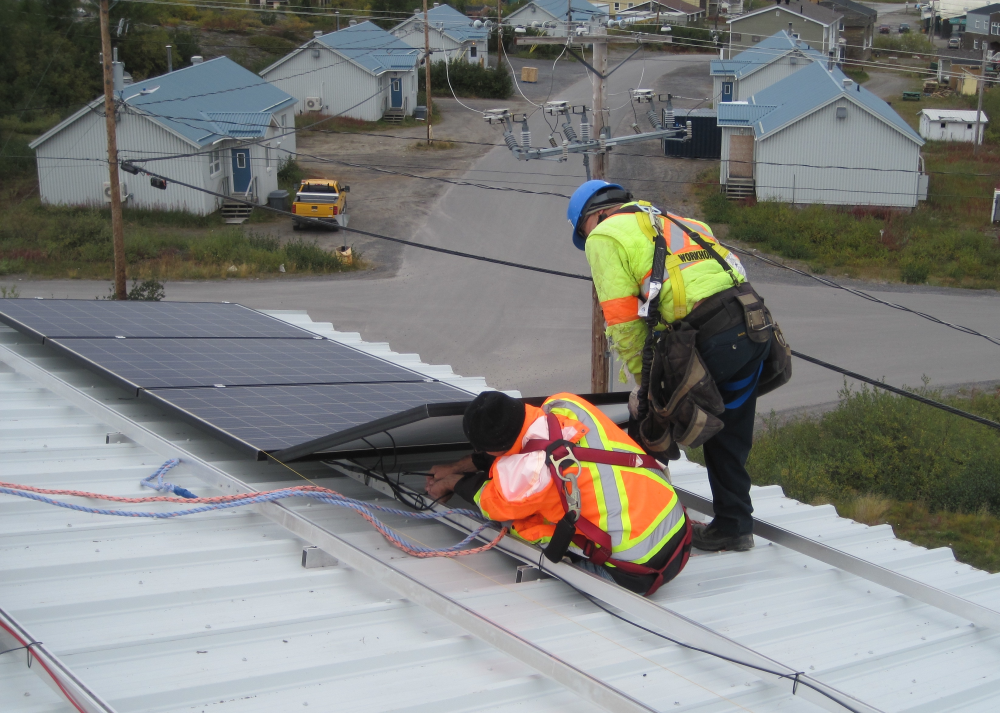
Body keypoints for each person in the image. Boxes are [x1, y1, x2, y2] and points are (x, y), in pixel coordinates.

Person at [567, 180, 776, 552]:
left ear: (594, 216)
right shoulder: (678, 221)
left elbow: (623, 322)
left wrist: (645, 387)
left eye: (582, 232)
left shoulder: (604, 234)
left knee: (646, 426)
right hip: (755, 327)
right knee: (728, 433)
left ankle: (642, 530)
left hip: (712, 334)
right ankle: (734, 525)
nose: (587, 240)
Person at [426, 391, 691, 596]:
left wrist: (452, 482)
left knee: (521, 524)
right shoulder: (564, 404)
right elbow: (523, 444)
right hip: (679, 527)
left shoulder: (522, 479)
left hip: (639, 573)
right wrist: (455, 466)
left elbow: (489, 502)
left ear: (492, 451)